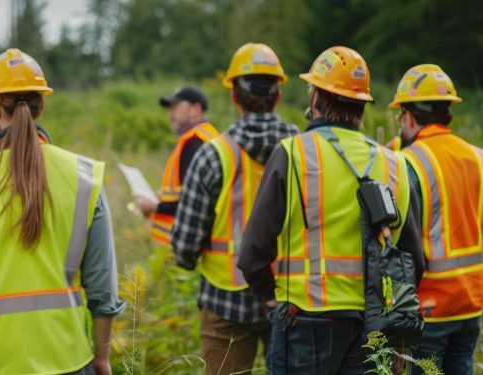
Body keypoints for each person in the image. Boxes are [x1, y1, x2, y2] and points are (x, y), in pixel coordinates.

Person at [237, 46, 425, 374]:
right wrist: (399, 335)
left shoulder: (293, 153)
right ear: (361, 105)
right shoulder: (394, 163)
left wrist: (271, 297)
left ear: (316, 99)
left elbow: (252, 254)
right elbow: (414, 261)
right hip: (375, 324)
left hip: (303, 319)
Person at [0, 48, 124, 375]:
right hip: (68, 357)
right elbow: (103, 288)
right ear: (42, 105)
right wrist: (102, 358)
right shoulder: (85, 178)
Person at [170, 43, 298, 374]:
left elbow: (183, 249)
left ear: (234, 97)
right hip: (293, 300)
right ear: (278, 95)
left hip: (225, 303)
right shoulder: (305, 152)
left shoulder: (213, 155)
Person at [389, 64, 483, 374]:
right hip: (472, 305)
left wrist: (399, 327)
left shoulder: (409, 162)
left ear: (409, 116)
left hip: (430, 309)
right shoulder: (477, 156)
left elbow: (403, 249)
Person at [136, 87, 218, 245]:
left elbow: (192, 201)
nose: (170, 114)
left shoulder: (194, 142)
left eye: (176, 107)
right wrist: (163, 196)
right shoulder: (205, 136)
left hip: (188, 244)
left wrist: (155, 206)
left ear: (195, 109)